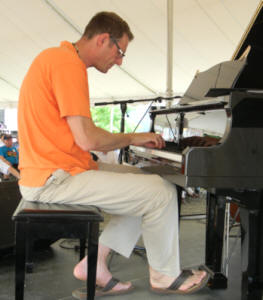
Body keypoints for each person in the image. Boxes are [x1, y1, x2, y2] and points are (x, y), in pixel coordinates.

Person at [17, 11, 209, 298]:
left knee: (146, 182)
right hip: (53, 178)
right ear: (103, 39)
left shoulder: (56, 58)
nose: (119, 61)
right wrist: (134, 137)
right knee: (160, 193)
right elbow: (87, 138)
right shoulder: (67, 64)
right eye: (119, 52)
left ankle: (94, 267)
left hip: (58, 169)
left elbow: (79, 134)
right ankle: (165, 276)